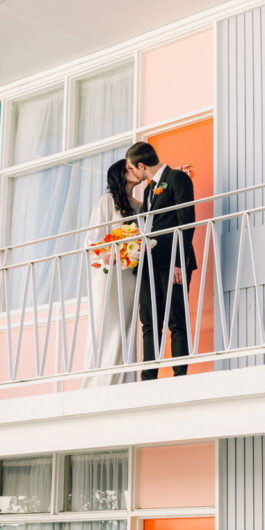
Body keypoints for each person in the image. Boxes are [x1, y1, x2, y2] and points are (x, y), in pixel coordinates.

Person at [125, 141, 196, 380]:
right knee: (149, 319)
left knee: (176, 317)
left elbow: (186, 221)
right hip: (150, 262)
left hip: (172, 261)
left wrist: (179, 261)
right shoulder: (147, 191)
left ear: (141, 165)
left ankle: (179, 374)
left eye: (132, 168)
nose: (132, 173)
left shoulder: (178, 179)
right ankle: (148, 376)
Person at [82, 159, 143, 387]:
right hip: (110, 272)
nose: (134, 171)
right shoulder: (107, 201)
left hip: (129, 275)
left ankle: (122, 380)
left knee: (125, 325)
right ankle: (97, 382)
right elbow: (92, 239)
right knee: (105, 323)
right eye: (128, 168)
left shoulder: (138, 205)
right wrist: (106, 253)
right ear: (119, 174)